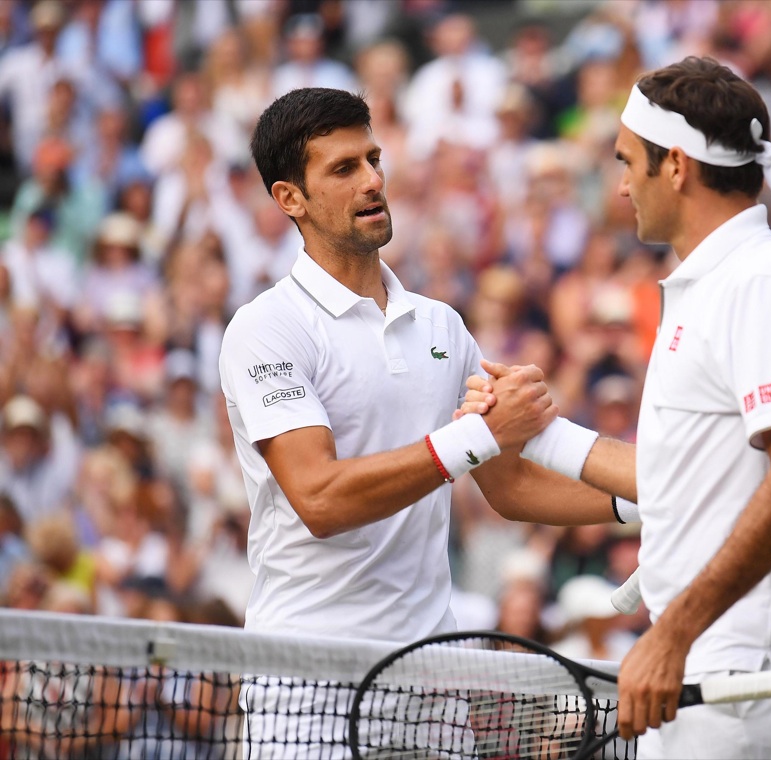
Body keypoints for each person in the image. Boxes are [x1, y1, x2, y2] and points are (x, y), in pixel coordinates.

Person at [464, 57, 771, 758]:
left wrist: (673, 633)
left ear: (675, 165)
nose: (621, 185)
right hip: (713, 671)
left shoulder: (761, 280)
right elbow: (673, 479)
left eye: (627, 162)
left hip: (752, 675)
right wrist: (534, 431)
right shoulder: (712, 283)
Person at [219, 87, 618, 757]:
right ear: (290, 198)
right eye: (343, 168)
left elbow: (511, 487)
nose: (373, 180)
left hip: (432, 686)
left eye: (373, 159)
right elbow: (320, 498)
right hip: (309, 689)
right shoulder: (266, 328)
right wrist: (478, 434)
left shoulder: (442, 325)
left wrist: (640, 505)